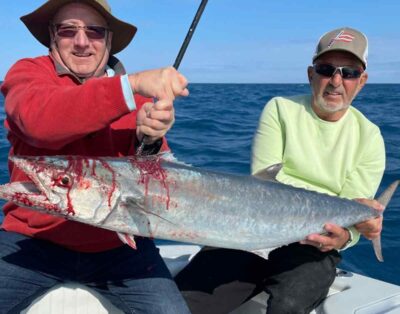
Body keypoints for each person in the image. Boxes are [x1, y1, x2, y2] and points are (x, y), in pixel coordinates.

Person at [175, 27, 385, 314]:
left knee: (288, 306)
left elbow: (351, 211)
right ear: (311, 74)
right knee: (181, 304)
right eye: (326, 69)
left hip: (313, 245)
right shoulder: (280, 109)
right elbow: (265, 184)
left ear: (362, 81)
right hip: (249, 230)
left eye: (348, 73)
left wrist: (348, 237)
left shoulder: (370, 137)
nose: (336, 81)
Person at [0, 1, 191, 313]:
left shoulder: (140, 99)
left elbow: (154, 180)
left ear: (109, 39)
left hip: (122, 249)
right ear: (52, 36)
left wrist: (150, 139)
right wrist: (130, 86)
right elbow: (39, 121)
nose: (81, 41)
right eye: (68, 30)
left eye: (94, 31)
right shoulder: (29, 74)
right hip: (32, 242)